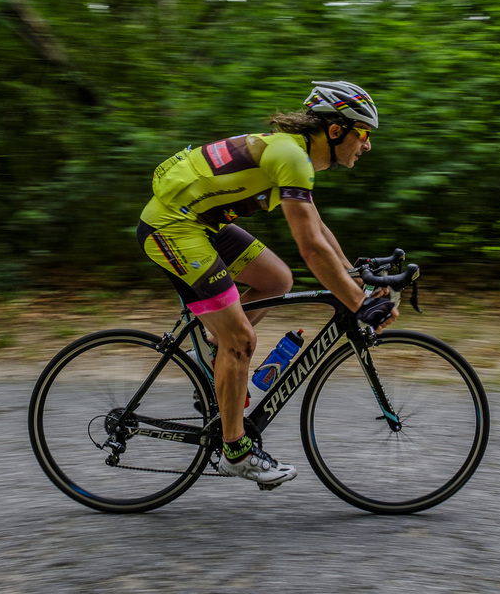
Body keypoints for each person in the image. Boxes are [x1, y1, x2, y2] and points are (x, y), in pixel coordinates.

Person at [136, 81, 398, 487]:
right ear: (335, 131)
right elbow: (310, 247)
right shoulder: (291, 156)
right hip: (172, 228)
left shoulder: (292, 153)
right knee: (240, 339)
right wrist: (358, 303)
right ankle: (235, 451)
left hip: (202, 224)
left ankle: (213, 347)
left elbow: (317, 228)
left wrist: (351, 276)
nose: (366, 146)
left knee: (276, 279)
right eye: (362, 134)